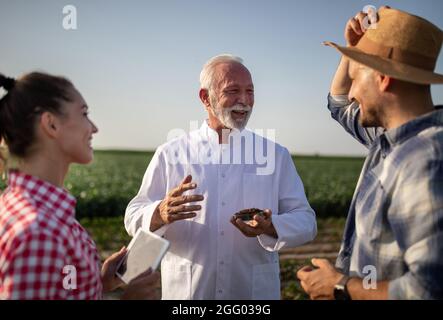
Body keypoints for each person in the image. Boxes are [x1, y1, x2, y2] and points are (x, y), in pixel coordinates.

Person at [125, 54, 317, 300]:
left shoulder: (275, 155)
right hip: (189, 296)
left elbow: (306, 221)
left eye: (250, 91)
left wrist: (272, 227)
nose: (244, 100)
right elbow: (133, 215)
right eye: (233, 90)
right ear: (206, 97)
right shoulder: (171, 154)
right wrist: (159, 213)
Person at [297, 7, 443, 300]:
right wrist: (353, 50)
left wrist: (340, 286)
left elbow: (427, 292)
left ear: (382, 78)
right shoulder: (389, 140)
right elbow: (338, 104)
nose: (352, 93)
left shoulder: (425, 161)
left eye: (355, 77)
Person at [0, 72, 159, 299]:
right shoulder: (39, 233)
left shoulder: (25, 206)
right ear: (51, 124)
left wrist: (99, 283)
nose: (94, 128)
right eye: (84, 114)